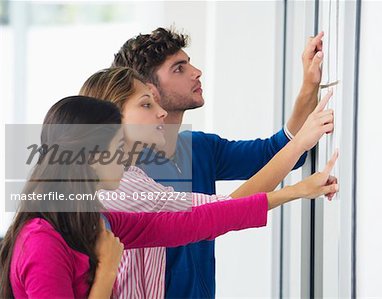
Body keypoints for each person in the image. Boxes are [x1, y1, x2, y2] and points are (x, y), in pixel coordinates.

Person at [0, 96, 338, 298]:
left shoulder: (94, 223)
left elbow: (193, 222)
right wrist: (107, 270)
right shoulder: (41, 242)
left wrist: (295, 192)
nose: (126, 153)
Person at [79, 66, 336, 298]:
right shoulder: (121, 187)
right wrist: (295, 185)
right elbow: (217, 211)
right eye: (178, 68)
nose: (161, 113)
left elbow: (219, 205)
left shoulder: (141, 172)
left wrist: (308, 91)